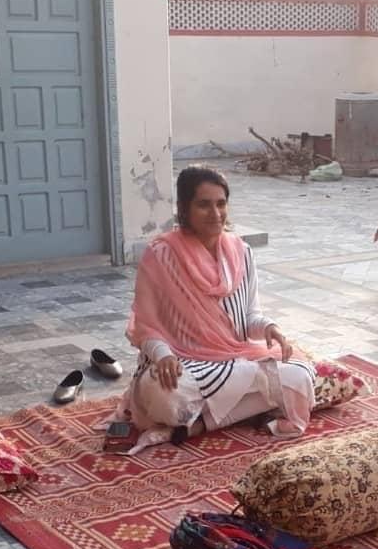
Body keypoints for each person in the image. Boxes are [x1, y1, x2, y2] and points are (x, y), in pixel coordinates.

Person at [117, 165, 314, 445]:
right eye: (204, 205)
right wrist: (163, 356)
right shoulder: (160, 255)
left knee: (301, 375)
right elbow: (146, 328)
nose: (215, 213)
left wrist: (270, 328)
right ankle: (247, 409)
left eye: (221, 204)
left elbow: (249, 317)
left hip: (234, 359)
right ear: (184, 208)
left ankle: (202, 424)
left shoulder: (242, 252)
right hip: (184, 362)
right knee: (165, 395)